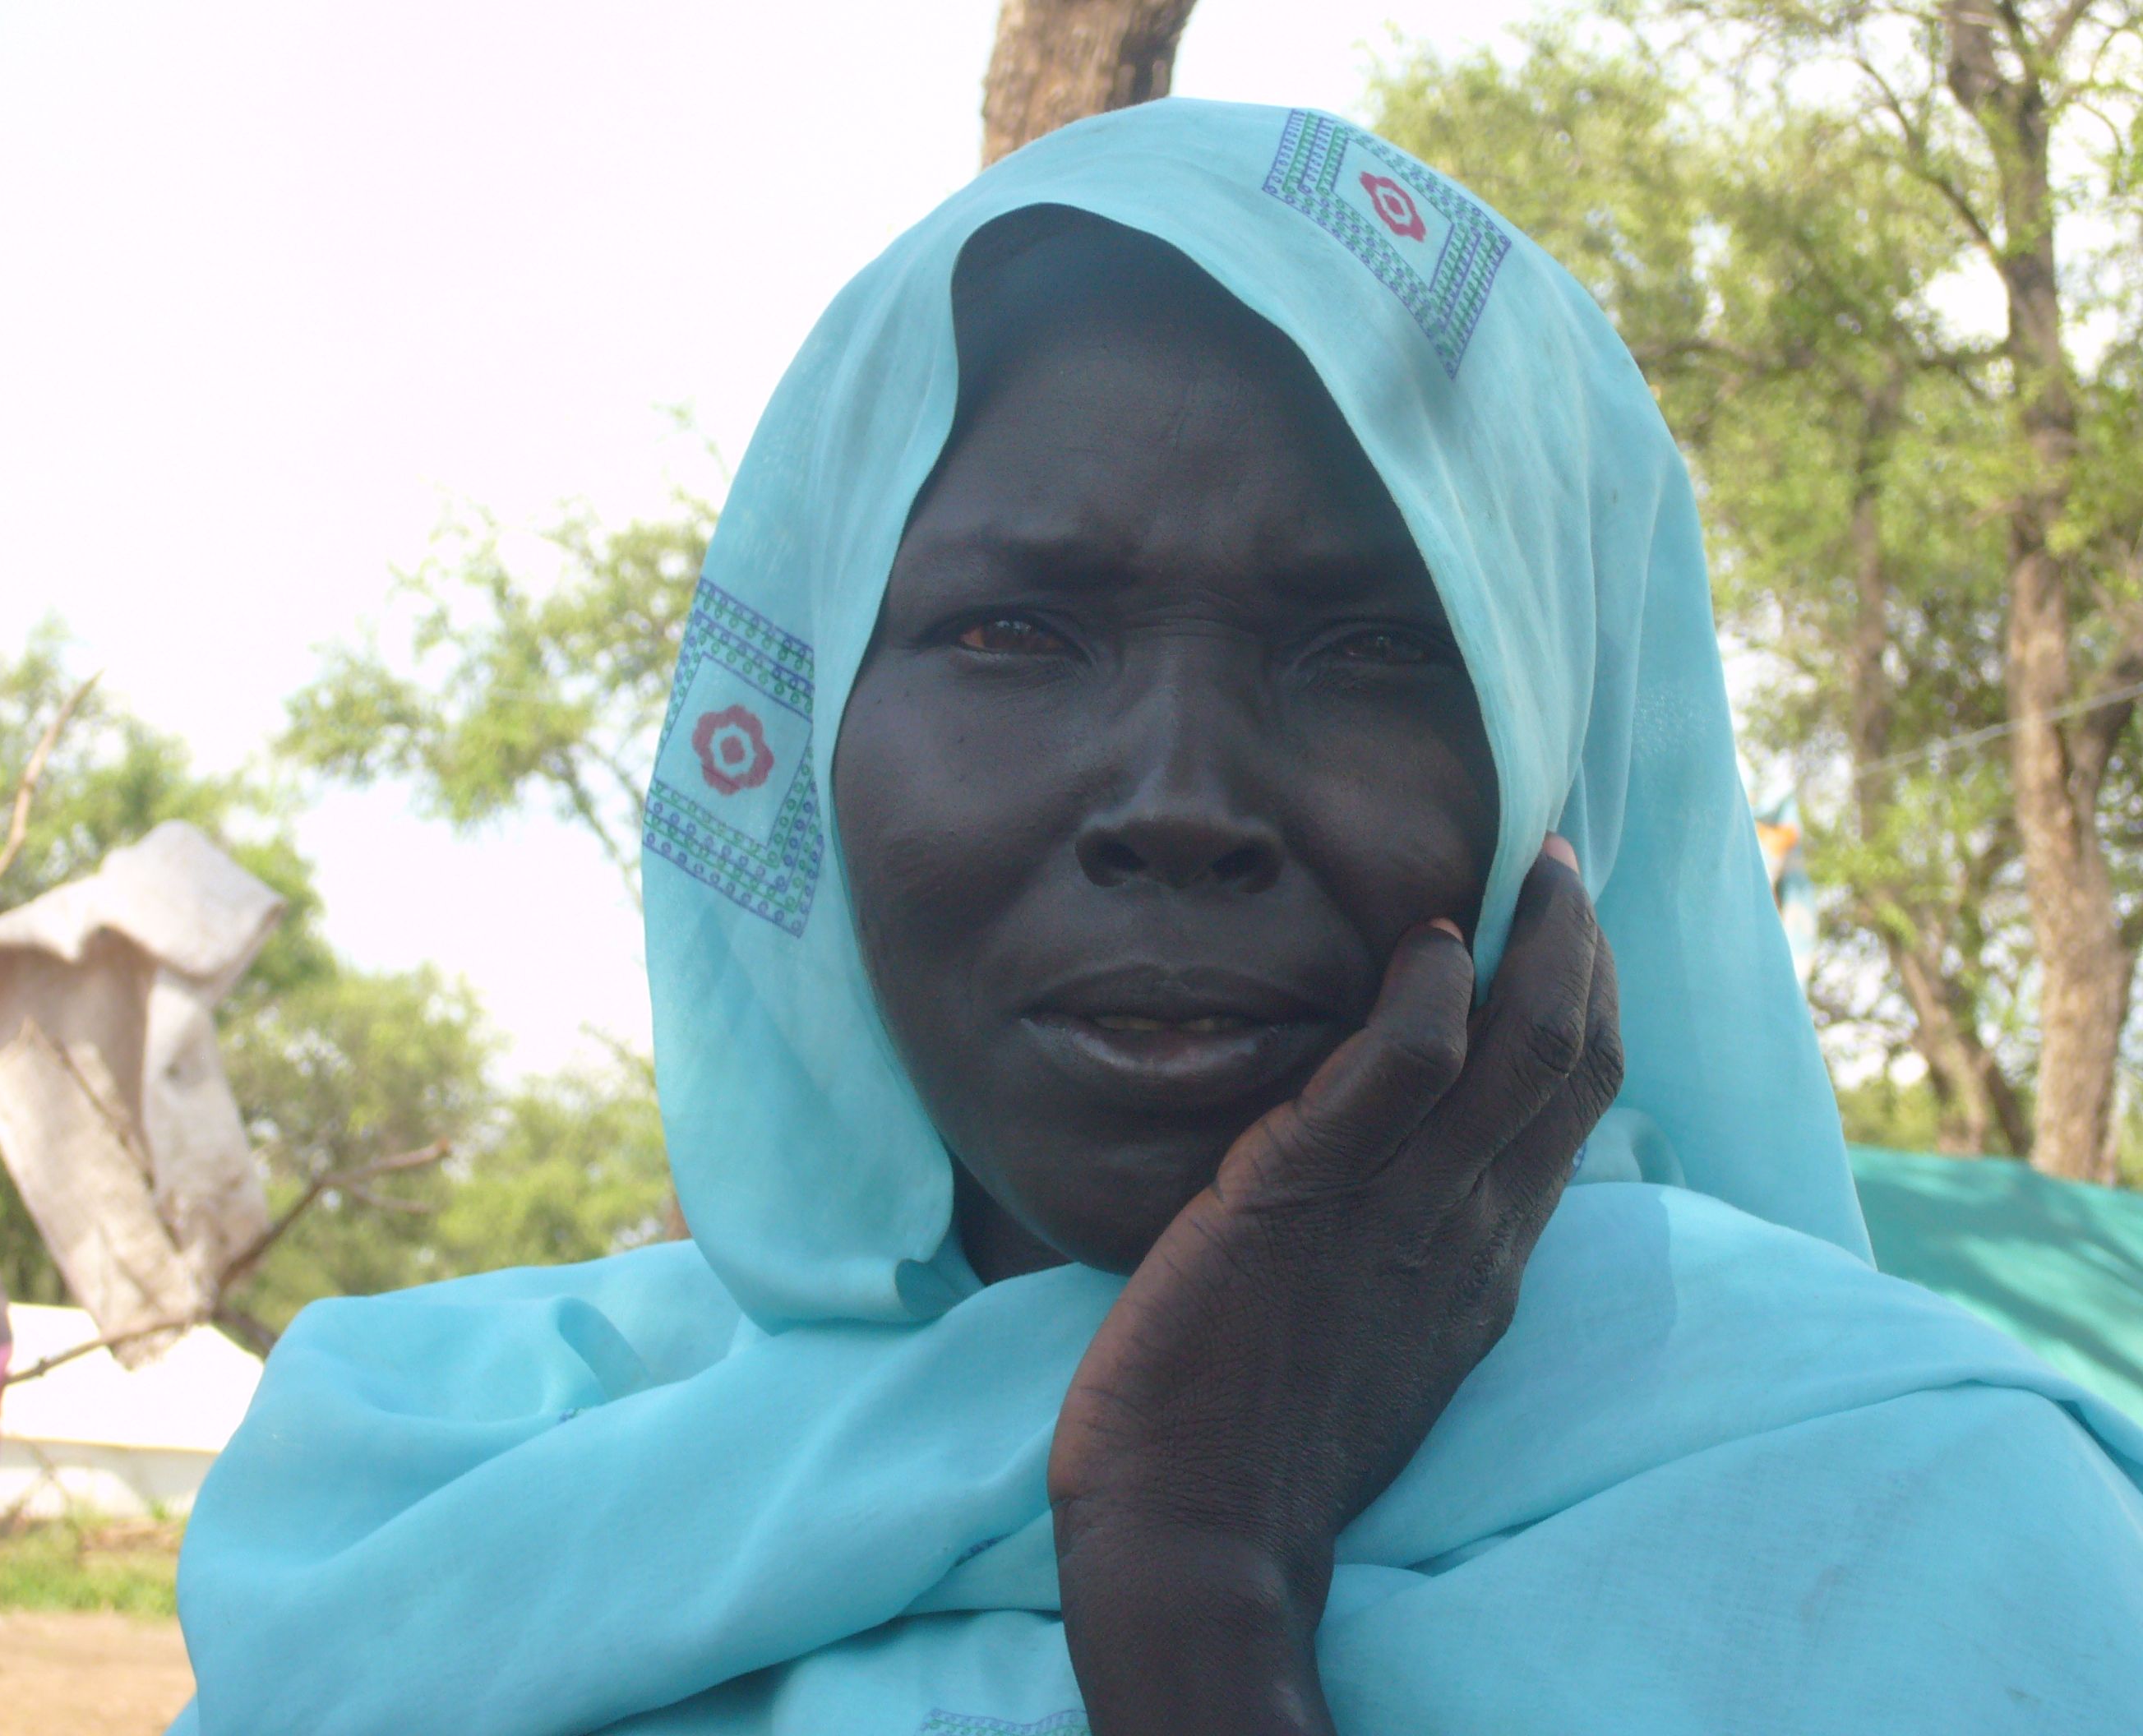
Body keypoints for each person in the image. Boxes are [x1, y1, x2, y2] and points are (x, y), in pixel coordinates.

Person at [167, 101, 2143, 1734]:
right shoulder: (434, 1497)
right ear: (800, 723)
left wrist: (1197, 1571)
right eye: (1014, 630)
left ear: (1558, 772)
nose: (1180, 802)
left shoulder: (1920, 1543)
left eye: (1370, 644)